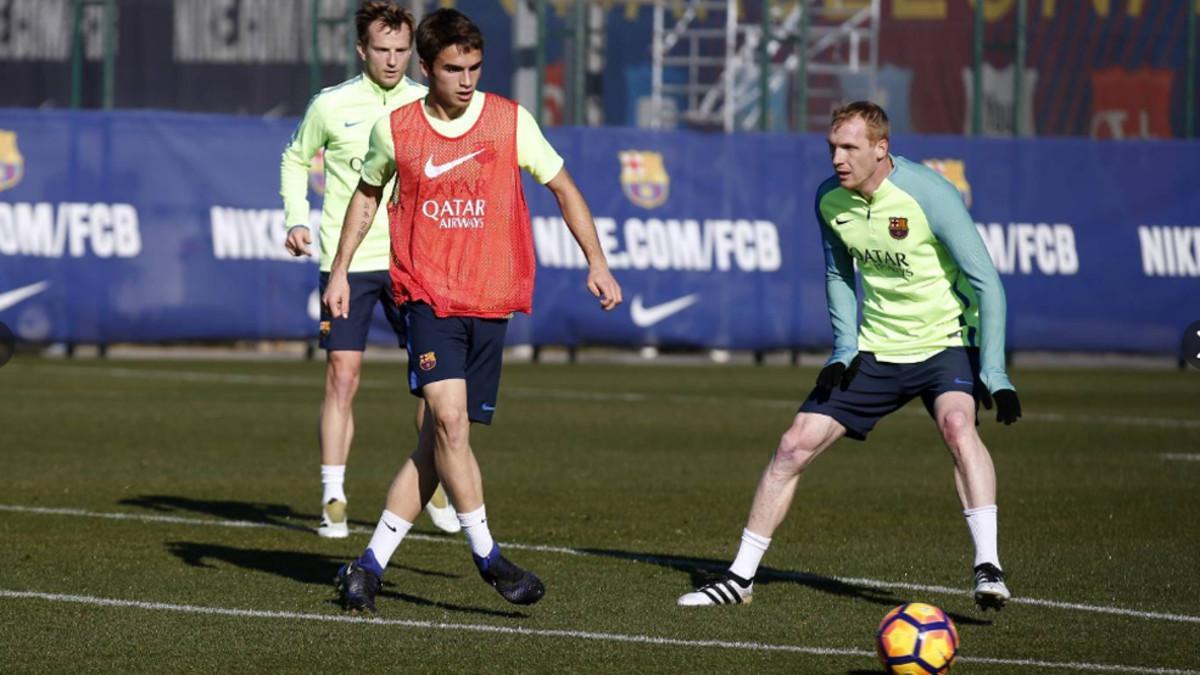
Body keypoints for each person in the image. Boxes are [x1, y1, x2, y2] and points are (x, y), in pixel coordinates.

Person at [324, 8, 622, 613]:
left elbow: (563, 187)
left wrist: (598, 261)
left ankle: (367, 565)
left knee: (439, 442)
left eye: (474, 67)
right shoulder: (399, 129)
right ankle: (489, 555)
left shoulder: (510, 122)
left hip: (491, 300)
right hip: (427, 297)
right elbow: (367, 193)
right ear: (426, 69)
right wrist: (340, 270)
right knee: (450, 422)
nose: (466, 79)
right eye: (452, 68)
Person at [677, 101, 1021, 611]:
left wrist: (994, 372)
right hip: (877, 349)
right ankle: (739, 578)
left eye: (850, 147)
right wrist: (844, 349)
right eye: (832, 147)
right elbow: (838, 276)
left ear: (881, 149)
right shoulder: (829, 200)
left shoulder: (929, 194)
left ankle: (988, 567)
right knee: (794, 445)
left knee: (956, 426)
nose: (838, 158)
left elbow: (986, 283)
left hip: (946, 341)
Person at [280, 1, 460, 538]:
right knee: (343, 376)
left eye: (402, 50)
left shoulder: (428, 104)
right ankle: (333, 494)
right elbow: (295, 157)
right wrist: (296, 218)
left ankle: (436, 481)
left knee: (437, 386)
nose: (392, 60)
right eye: (382, 50)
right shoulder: (332, 105)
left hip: (414, 263)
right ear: (362, 50)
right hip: (349, 261)